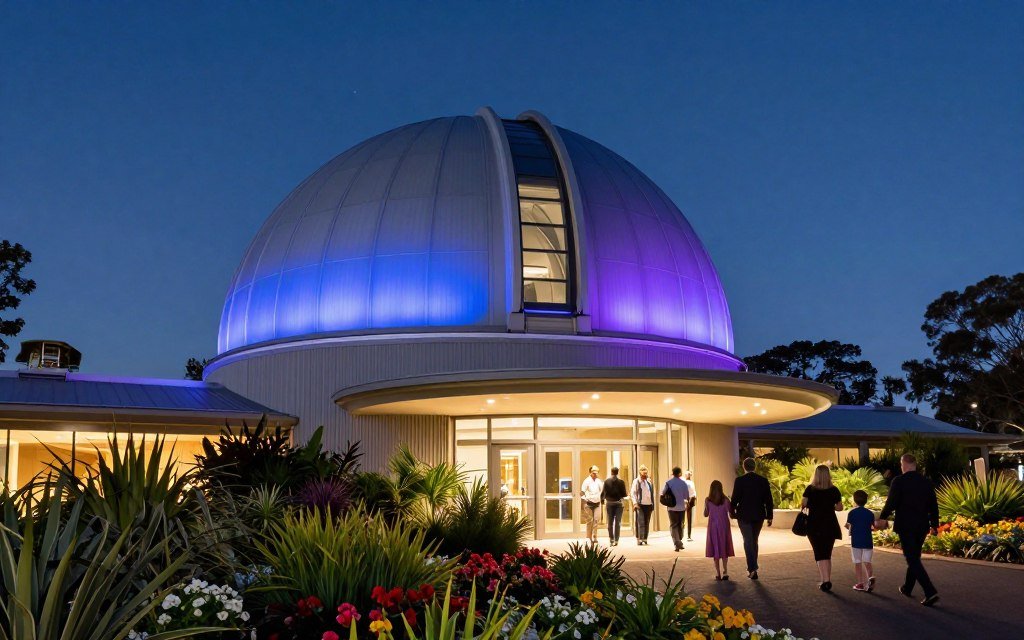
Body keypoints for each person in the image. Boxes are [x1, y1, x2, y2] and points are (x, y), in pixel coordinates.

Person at [878, 453, 940, 607]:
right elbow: (933, 505)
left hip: (905, 525)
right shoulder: (926, 482)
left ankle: (930, 591)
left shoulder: (899, 481)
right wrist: (934, 524)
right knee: (914, 557)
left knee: (911, 558)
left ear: (904, 464)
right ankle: (907, 587)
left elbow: (891, 502)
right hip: (921, 525)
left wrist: (882, 517)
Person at [802, 464, 843, 592]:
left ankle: (825, 580)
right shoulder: (834, 490)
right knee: (827, 553)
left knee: (819, 553)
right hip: (830, 524)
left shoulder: (810, 489)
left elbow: (803, 506)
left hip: (814, 525)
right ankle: (827, 579)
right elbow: (840, 507)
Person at [730, 458, 773, 579]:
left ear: (744, 467)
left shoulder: (740, 480)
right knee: (754, 541)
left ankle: (752, 568)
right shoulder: (763, 481)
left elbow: (735, 498)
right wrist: (769, 516)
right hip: (758, 515)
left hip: (743, 515)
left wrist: (732, 512)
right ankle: (753, 567)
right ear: (755, 467)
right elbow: (768, 500)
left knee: (747, 541)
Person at [846, 489, 876, 592]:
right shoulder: (870, 514)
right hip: (868, 541)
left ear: (854, 500)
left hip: (856, 542)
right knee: (867, 562)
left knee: (857, 562)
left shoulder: (852, 513)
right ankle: (870, 577)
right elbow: (873, 526)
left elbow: (848, 525)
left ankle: (860, 584)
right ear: (866, 501)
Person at [704, 479, 735, 580]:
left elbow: (706, 514)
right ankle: (725, 571)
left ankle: (718, 573)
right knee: (724, 546)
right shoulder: (725, 500)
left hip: (713, 526)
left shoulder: (708, 500)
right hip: (724, 526)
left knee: (715, 547)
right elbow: (731, 513)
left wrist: (706, 506)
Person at [661, 467, 690, 551]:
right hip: (681, 507)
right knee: (680, 524)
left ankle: (677, 542)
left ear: (672, 473)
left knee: (673, 525)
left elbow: (662, 493)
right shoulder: (683, 483)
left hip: (671, 507)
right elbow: (686, 496)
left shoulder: (668, 483)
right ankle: (679, 540)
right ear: (680, 473)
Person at [602, 466, 628, 546]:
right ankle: (616, 540)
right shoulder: (621, 482)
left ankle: (611, 539)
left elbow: (603, 492)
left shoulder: (606, 481)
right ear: (618, 472)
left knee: (610, 522)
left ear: (611, 472)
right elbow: (624, 494)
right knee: (618, 522)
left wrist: (602, 500)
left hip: (609, 503)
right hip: (618, 503)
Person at [630, 464, 655, 545]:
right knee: (640, 522)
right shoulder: (636, 481)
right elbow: (633, 493)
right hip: (640, 504)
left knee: (647, 522)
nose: (645, 475)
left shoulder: (649, 481)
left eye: (646, 473)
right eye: (643, 474)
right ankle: (640, 538)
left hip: (648, 504)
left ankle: (645, 538)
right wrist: (635, 503)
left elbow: (651, 493)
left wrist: (652, 504)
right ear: (640, 473)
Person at [580, 465, 604, 544]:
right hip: (589, 503)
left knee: (596, 520)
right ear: (591, 473)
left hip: (597, 503)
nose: (595, 475)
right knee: (589, 521)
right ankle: (588, 537)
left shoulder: (599, 481)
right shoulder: (586, 481)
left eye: (596, 473)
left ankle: (595, 536)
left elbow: (602, 491)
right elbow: (582, 492)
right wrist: (584, 500)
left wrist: (601, 498)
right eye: (593, 473)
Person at [683, 470, 697, 541]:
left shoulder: (692, 482)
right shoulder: (683, 482)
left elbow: (694, 492)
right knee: (682, 518)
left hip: (690, 500)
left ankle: (689, 535)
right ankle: (681, 534)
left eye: (689, 474)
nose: (688, 475)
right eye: (687, 474)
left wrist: (694, 498)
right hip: (684, 500)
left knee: (689, 518)